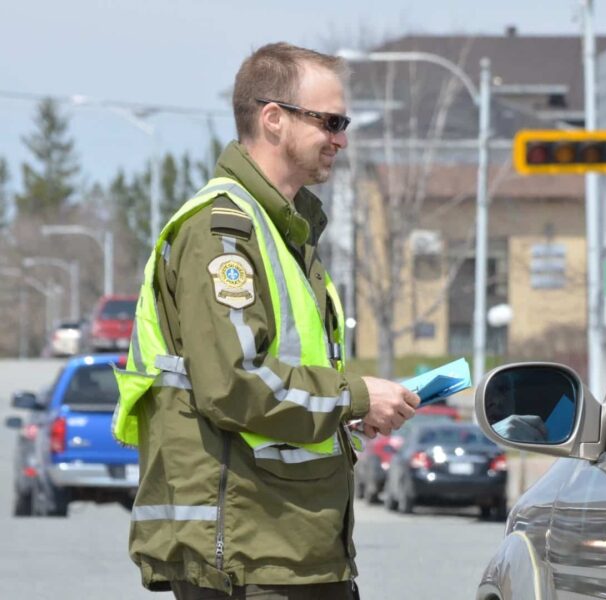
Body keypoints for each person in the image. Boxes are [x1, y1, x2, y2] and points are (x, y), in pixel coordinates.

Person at [112, 42, 420, 599]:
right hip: (247, 558)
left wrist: (344, 414)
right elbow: (232, 383)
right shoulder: (224, 233)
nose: (340, 138)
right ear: (274, 119)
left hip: (290, 546)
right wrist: (353, 397)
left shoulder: (282, 230)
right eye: (330, 121)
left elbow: (275, 382)